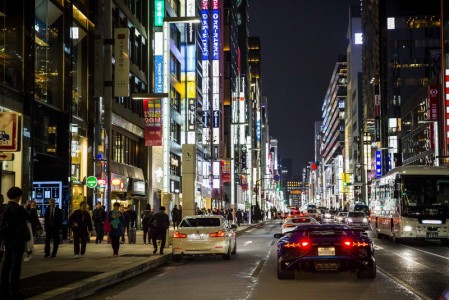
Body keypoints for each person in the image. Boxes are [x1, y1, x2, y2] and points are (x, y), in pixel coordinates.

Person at [0, 187, 30, 299]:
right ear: (18, 196)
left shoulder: (6, 207)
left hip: (8, 239)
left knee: (7, 264)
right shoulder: (17, 208)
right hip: (17, 240)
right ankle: (14, 289)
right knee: (16, 265)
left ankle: (4, 288)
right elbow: (27, 218)